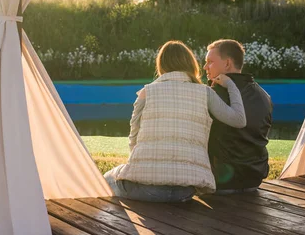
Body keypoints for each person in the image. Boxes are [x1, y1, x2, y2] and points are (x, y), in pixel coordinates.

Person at [104, 40, 247, 202]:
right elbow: (239, 120)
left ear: (162, 65)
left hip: (146, 189)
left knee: (105, 179)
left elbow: (133, 139)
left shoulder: (146, 92)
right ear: (190, 63)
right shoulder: (205, 93)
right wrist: (231, 85)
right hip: (185, 191)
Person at [204, 39, 273, 194]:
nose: (205, 67)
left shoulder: (214, 95)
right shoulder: (263, 95)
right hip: (254, 178)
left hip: (221, 181)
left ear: (227, 64)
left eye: (210, 62)